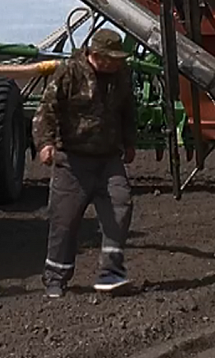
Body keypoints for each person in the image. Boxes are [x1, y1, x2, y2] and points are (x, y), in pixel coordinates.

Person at [32, 28, 137, 298]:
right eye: (111, 59)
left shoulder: (120, 76)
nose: (115, 63)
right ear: (96, 55)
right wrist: (45, 143)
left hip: (108, 159)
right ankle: (55, 278)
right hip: (72, 161)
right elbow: (47, 109)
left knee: (121, 205)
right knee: (64, 221)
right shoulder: (70, 73)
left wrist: (129, 142)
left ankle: (110, 272)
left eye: (118, 59)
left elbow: (128, 110)